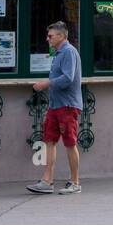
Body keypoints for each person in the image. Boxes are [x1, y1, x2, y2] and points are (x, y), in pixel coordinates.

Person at [27, 21, 82, 195]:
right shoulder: (59, 53)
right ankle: (47, 181)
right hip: (56, 105)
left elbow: (68, 78)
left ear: (61, 36)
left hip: (67, 106)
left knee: (69, 143)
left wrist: (47, 83)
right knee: (49, 141)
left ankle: (75, 182)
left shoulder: (68, 52)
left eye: (50, 36)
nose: (47, 39)